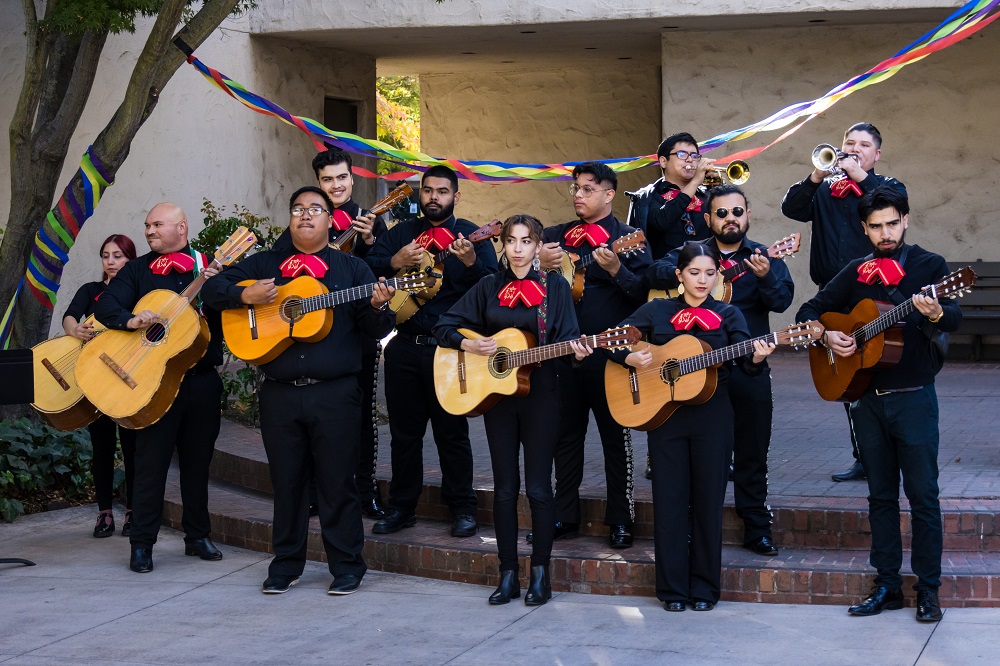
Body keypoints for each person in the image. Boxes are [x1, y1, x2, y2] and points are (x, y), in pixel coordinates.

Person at [203, 186, 395, 596]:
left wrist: (380, 306)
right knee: (287, 482)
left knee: (337, 482)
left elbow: (374, 330)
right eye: (298, 209)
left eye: (315, 209)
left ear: (331, 219)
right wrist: (245, 293)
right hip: (280, 393)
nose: (305, 215)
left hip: (335, 394)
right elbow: (211, 292)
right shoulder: (266, 264)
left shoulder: (352, 270)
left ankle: (346, 566)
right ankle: (286, 564)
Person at [796, 186, 959, 623]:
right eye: (876, 226)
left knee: (923, 497)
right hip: (866, 401)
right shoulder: (856, 270)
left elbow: (957, 317)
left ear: (905, 220)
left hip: (913, 400)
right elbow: (809, 309)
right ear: (864, 228)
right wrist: (826, 334)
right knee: (880, 497)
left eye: (892, 223)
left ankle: (928, 589)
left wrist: (936, 312)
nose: (885, 233)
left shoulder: (929, 267)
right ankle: (886, 585)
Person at [608, 243, 774, 611]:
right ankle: (671, 589)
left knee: (707, 502)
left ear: (718, 276)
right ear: (680, 274)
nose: (702, 280)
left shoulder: (729, 314)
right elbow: (612, 339)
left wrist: (757, 359)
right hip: (665, 416)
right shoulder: (657, 310)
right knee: (669, 501)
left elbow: (746, 366)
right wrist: (629, 356)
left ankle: (704, 588)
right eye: (695, 273)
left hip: (713, 417)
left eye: (710, 273)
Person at [434, 215, 590, 606]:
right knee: (504, 489)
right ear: (502, 245)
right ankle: (507, 574)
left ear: (539, 247)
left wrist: (579, 350)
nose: (518, 248)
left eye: (527, 241)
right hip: (497, 398)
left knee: (538, 487)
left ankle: (540, 574)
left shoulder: (556, 287)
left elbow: (569, 339)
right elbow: (444, 325)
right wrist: (468, 345)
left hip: (542, 396)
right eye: (511, 241)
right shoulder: (489, 286)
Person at [646, 185, 793, 556]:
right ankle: (694, 530)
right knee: (698, 457)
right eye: (722, 213)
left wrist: (763, 277)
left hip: (747, 366)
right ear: (707, 218)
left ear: (747, 215)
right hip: (693, 372)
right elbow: (656, 271)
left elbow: (782, 300)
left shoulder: (764, 257)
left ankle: (756, 526)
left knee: (752, 451)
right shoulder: (693, 253)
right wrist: (696, 271)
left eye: (738, 212)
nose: (731, 219)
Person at [365, 165, 499, 537]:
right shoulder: (401, 235)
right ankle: (402, 508)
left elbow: (492, 287)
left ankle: (462, 508)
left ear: (456, 197)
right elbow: (367, 267)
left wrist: (471, 262)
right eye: (427, 190)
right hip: (404, 347)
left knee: (451, 433)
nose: (433, 197)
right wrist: (395, 262)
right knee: (405, 436)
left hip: (450, 351)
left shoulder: (473, 236)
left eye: (442, 191)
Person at [94, 203, 225, 573]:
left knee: (198, 465)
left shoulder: (209, 265)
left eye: (157, 224)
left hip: (201, 382)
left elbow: (230, 302)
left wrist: (217, 284)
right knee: (150, 465)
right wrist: (131, 319)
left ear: (181, 228)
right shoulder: (136, 269)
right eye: (147, 224)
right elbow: (106, 304)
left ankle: (197, 535)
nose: (149, 231)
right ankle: (142, 544)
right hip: (152, 384)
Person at [781, 122, 907, 482]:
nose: (854, 149)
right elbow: (792, 207)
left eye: (863, 145)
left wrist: (861, 178)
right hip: (835, 292)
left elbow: (895, 206)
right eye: (848, 143)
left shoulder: (887, 186)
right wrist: (816, 175)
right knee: (848, 377)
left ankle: (890, 455)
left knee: (883, 369)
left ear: (876, 154)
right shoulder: (825, 189)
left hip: (878, 289)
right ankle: (864, 456)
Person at [537, 161, 652, 549]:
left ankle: (621, 519)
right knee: (564, 439)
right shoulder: (554, 237)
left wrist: (618, 267)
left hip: (610, 356)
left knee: (615, 440)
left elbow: (642, 294)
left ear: (608, 194)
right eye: (575, 188)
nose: (578, 195)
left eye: (587, 189)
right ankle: (564, 515)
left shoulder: (630, 237)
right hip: (564, 354)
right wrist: (539, 265)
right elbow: (519, 279)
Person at [274, 147, 388, 519]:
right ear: (317, 183)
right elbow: (276, 267)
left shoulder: (370, 220)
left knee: (361, 417)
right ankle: (310, 493)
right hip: (308, 337)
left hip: (356, 332)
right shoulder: (305, 221)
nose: (336, 185)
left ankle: (364, 490)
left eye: (341, 178)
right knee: (307, 422)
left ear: (352, 179)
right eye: (327, 180)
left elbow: (384, 274)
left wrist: (370, 244)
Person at [62, 234, 138, 538]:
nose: (111, 262)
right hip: (95, 377)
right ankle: (104, 513)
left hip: (131, 378)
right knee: (102, 447)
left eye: (118, 256)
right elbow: (69, 316)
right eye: (106, 255)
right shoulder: (91, 290)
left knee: (133, 448)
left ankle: (133, 511)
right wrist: (75, 329)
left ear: (130, 259)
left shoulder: (137, 291)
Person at [625, 132, 714, 260]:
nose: (690, 160)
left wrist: (716, 189)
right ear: (663, 161)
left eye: (694, 156)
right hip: (663, 273)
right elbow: (662, 222)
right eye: (682, 154)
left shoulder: (706, 195)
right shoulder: (649, 196)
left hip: (704, 273)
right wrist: (695, 182)